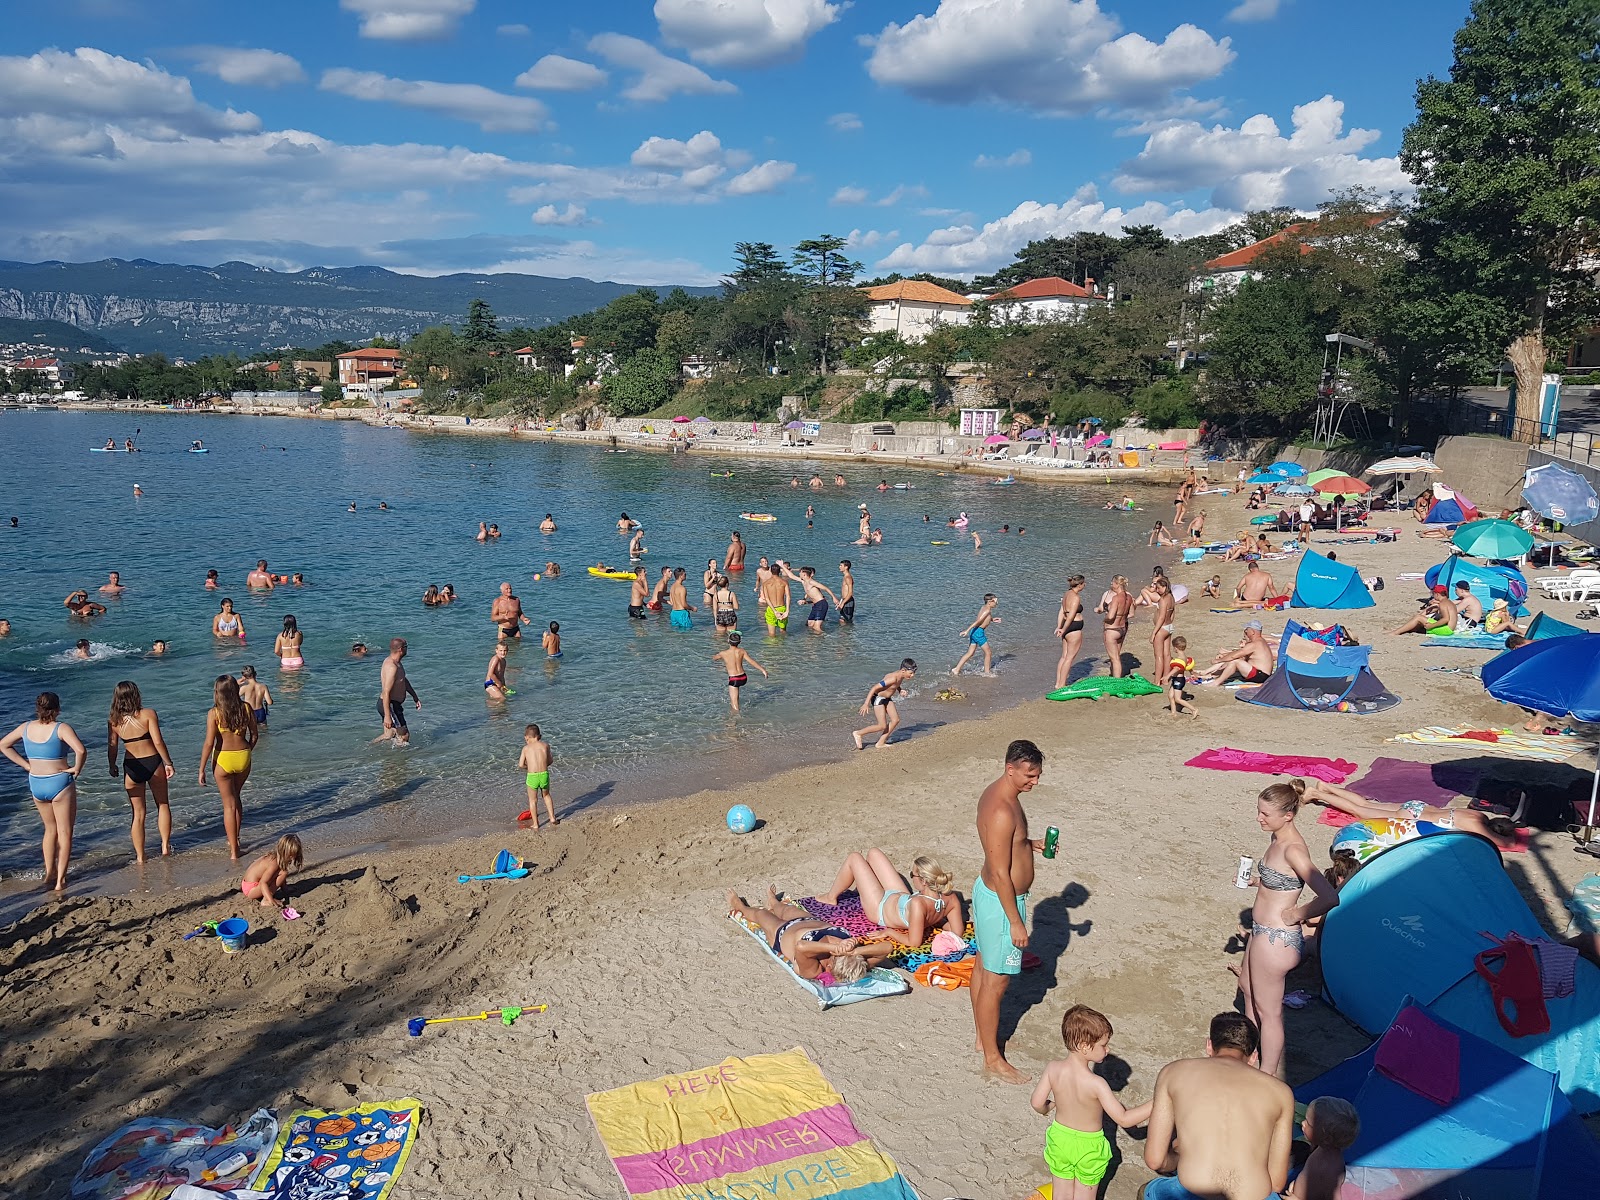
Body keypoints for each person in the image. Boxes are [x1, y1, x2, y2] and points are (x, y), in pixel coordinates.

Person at [1239, 780, 1340, 1079]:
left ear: (1288, 815)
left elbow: (1330, 896)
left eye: (1265, 814)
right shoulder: (1277, 838)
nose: (1259, 818)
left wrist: (1297, 914)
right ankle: (1249, 1057)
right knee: (1247, 990)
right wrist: (1259, 882)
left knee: (1269, 1013)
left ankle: (1266, 1075)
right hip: (1262, 933)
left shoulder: (1294, 849)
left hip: (1276, 939)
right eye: (1259, 811)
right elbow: (1283, 881)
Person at [1142, 1013, 1295, 1200]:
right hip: (1252, 1195)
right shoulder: (1281, 1093)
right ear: (1253, 1056)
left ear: (1209, 1045)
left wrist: (1180, 1157)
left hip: (1195, 1191)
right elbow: (1276, 1182)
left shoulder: (1173, 1072)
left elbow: (1155, 1160)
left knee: (1151, 1190)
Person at [971, 740, 1047, 1082]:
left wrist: (1031, 845)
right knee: (996, 980)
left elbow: (1002, 844)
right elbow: (1002, 872)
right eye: (1029, 775)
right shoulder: (1003, 809)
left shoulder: (999, 795)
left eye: (1038, 775)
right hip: (1002, 904)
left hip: (990, 896)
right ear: (1010, 768)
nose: (1035, 782)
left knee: (983, 968)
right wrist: (1016, 922)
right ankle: (992, 1058)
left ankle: (981, 1039)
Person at [1031, 1006, 1153, 1200]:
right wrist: (1157, 1103)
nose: (1108, 1049)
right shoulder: (1097, 1084)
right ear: (1085, 1046)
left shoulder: (1053, 1068)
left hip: (1060, 1138)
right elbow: (1124, 1119)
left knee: (1061, 1193)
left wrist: (1049, 1106)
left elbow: (1037, 1103)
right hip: (1089, 1146)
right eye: (1104, 1045)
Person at [1306, 777, 1524, 857]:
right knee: (1361, 811)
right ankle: (1316, 793)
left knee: (1365, 803)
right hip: (1409, 818)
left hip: (1417, 806)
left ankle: (1326, 787)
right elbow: (1508, 842)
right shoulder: (1477, 827)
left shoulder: (1477, 814)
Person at [1, 692, 85, 891]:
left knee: (49, 830)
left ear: (37, 709)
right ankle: (60, 881)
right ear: (57, 709)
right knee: (65, 832)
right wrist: (76, 768)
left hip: (36, 782)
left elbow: (3, 745)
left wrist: (26, 765)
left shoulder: (26, 727)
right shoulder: (61, 728)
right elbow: (80, 750)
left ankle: (49, 874)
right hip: (59, 782)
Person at [727, 887, 890, 982]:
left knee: (760, 914)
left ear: (830, 967)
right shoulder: (855, 961)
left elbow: (802, 946)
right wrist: (855, 951)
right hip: (808, 920)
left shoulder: (815, 970)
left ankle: (739, 905)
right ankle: (774, 903)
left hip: (782, 932)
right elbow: (887, 948)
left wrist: (834, 947)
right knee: (785, 909)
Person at [817, 848, 963, 944]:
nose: (911, 878)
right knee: (873, 853)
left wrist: (889, 932)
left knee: (854, 858)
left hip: (879, 908)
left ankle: (831, 897)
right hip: (902, 898)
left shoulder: (919, 904)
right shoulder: (950, 898)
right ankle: (863, 885)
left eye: (913, 875)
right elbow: (957, 931)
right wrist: (935, 920)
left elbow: (914, 942)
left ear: (924, 881)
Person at [199, 674, 259, 861]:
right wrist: (248, 749)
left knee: (228, 805)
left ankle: (234, 850)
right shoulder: (246, 708)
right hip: (243, 757)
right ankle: (237, 839)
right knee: (236, 798)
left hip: (223, 759)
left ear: (217, 692)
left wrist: (201, 769)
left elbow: (209, 743)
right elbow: (255, 735)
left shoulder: (214, 713)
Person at [1287, 1097, 1360, 1200]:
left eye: (1308, 1123)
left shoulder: (1331, 1167)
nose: (1303, 1123)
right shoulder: (1322, 1148)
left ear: (1326, 1138)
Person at [853, 659, 916, 749]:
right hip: (878, 699)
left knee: (895, 720)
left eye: (913, 673)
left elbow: (895, 685)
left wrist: (900, 690)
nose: (912, 675)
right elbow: (874, 688)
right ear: (903, 670)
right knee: (881, 725)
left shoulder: (900, 676)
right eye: (910, 673)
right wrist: (866, 704)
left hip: (886, 698)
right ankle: (858, 733)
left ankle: (880, 743)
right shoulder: (892, 678)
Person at [241, 833, 303, 913]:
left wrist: (285, 889)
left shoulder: (275, 856)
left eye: (294, 855)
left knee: (282, 871)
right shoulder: (274, 863)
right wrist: (271, 900)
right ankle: (266, 900)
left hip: (247, 884)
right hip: (251, 890)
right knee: (283, 872)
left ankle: (285, 889)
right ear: (283, 851)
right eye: (290, 856)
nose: (292, 858)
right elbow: (263, 883)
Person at [1198, 621, 1275, 686]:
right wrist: (1225, 656)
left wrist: (1218, 660)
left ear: (1252, 632)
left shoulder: (1255, 644)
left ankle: (1216, 682)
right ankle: (1210, 674)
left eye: (1246, 630)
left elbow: (1234, 656)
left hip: (1261, 676)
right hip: (1260, 673)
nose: (1245, 632)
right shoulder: (1261, 642)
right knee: (1235, 659)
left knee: (1235, 661)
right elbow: (1238, 655)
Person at [375, 638, 421, 746]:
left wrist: (415, 697)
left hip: (390, 704)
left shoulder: (397, 663)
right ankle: (401, 762)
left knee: (389, 735)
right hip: (389, 705)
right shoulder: (392, 666)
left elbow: (403, 680)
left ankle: (368, 747)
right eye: (406, 647)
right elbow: (386, 692)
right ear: (400, 649)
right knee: (404, 736)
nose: (407, 649)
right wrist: (387, 716)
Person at [713, 632, 767, 712]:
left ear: (728, 641)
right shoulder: (742, 651)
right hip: (743, 677)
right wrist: (763, 670)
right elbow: (751, 661)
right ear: (739, 642)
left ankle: (734, 721)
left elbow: (714, 658)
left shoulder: (723, 653)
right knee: (736, 696)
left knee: (734, 704)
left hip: (734, 679)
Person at [519, 723, 556, 828]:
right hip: (544, 774)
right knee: (546, 795)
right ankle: (552, 818)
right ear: (538, 736)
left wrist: (529, 767)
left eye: (526, 739)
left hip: (532, 776)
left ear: (527, 737)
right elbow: (550, 761)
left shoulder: (526, 748)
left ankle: (536, 824)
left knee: (533, 800)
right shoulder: (545, 746)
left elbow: (521, 765)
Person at [953, 593, 1000, 676]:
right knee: (988, 652)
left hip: (974, 632)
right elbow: (978, 621)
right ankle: (987, 672)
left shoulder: (984, 607)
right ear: (989, 602)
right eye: (995, 601)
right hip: (978, 633)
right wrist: (966, 630)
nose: (996, 603)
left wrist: (992, 619)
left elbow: (983, 619)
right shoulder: (987, 610)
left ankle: (956, 669)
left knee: (970, 653)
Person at [1053, 575, 1087, 689]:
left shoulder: (1066, 594)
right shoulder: (1076, 597)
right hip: (1073, 627)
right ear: (1080, 585)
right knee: (1069, 657)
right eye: (1083, 583)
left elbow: (1061, 611)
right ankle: (1062, 685)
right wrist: (1063, 629)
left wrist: (1059, 626)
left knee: (1064, 656)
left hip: (1066, 626)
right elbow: (1071, 615)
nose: (1085, 585)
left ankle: (1058, 683)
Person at [1096, 576, 1131, 678]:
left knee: (1114, 659)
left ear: (1117, 584)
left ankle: (1117, 682)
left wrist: (1105, 620)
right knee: (1117, 656)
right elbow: (1131, 613)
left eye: (1112, 583)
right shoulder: (1128, 597)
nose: (1111, 585)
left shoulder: (1116, 598)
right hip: (1122, 628)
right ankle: (1115, 676)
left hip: (1112, 629)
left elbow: (1111, 616)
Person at [1390, 585, 1456, 636]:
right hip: (1450, 629)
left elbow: (1446, 619)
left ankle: (1395, 632)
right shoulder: (1449, 602)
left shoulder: (1443, 603)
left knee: (1418, 618)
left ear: (1437, 594)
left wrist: (1431, 625)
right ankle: (1407, 630)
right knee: (1420, 620)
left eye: (1433, 594)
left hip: (1446, 630)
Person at [791, 566, 838, 631]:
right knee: (810, 624)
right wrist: (782, 566)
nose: (799, 574)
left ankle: (827, 638)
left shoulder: (812, 582)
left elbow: (826, 588)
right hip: (815, 605)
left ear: (804, 574)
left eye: (800, 572)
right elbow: (792, 576)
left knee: (816, 627)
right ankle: (814, 640)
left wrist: (834, 598)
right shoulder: (804, 581)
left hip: (821, 604)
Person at [1165, 636, 1198, 718]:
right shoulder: (1185, 657)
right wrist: (1192, 673)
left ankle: (1193, 709)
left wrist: (1167, 676)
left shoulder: (1180, 658)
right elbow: (1188, 666)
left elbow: (1177, 668)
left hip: (1179, 680)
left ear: (1175, 648)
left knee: (1177, 699)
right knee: (1170, 696)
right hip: (1176, 679)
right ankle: (1173, 712)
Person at [1150, 577, 1176, 676]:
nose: (1157, 590)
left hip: (1161, 629)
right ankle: (1165, 677)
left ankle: (1157, 681)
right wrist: (1169, 623)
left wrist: (1154, 633)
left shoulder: (1163, 600)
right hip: (1169, 627)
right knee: (1167, 654)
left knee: (1159, 656)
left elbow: (1161, 618)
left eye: (1159, 588)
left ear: (1165, 587)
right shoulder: (1171, 597)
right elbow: (1173, 613)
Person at [238, 665, 272, 730]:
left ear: (244, 677)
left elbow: (233, 697)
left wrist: (236, 684)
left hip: (249, 713)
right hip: (261, 712)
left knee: (250, 733)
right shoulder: (263, 686)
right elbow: (270, 702)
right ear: (255, 674)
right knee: (264, 733)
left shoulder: (244, 688)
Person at [760, 565, 791, 634]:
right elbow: (788, 597)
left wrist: (774, 611)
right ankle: (784, 644)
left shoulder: (766, 583)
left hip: (771, 609)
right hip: (782, 608)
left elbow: (767, 598)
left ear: (770, 571)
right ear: (779, 571)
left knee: (771, 634)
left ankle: (773, 645)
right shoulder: (784, 582)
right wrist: (787, 611)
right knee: (783, 632)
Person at [837, 560, 856, 625]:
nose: (839, 567)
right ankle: (844, 634)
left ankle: (846, 634)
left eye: (841, 565)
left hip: (848, 601)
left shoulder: (848, 577)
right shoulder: (845, 577)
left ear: (846, 567)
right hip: (845, 600)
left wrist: (843, 603)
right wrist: (841, 602)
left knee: (845, 620)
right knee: (843, 620)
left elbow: (850, 593)